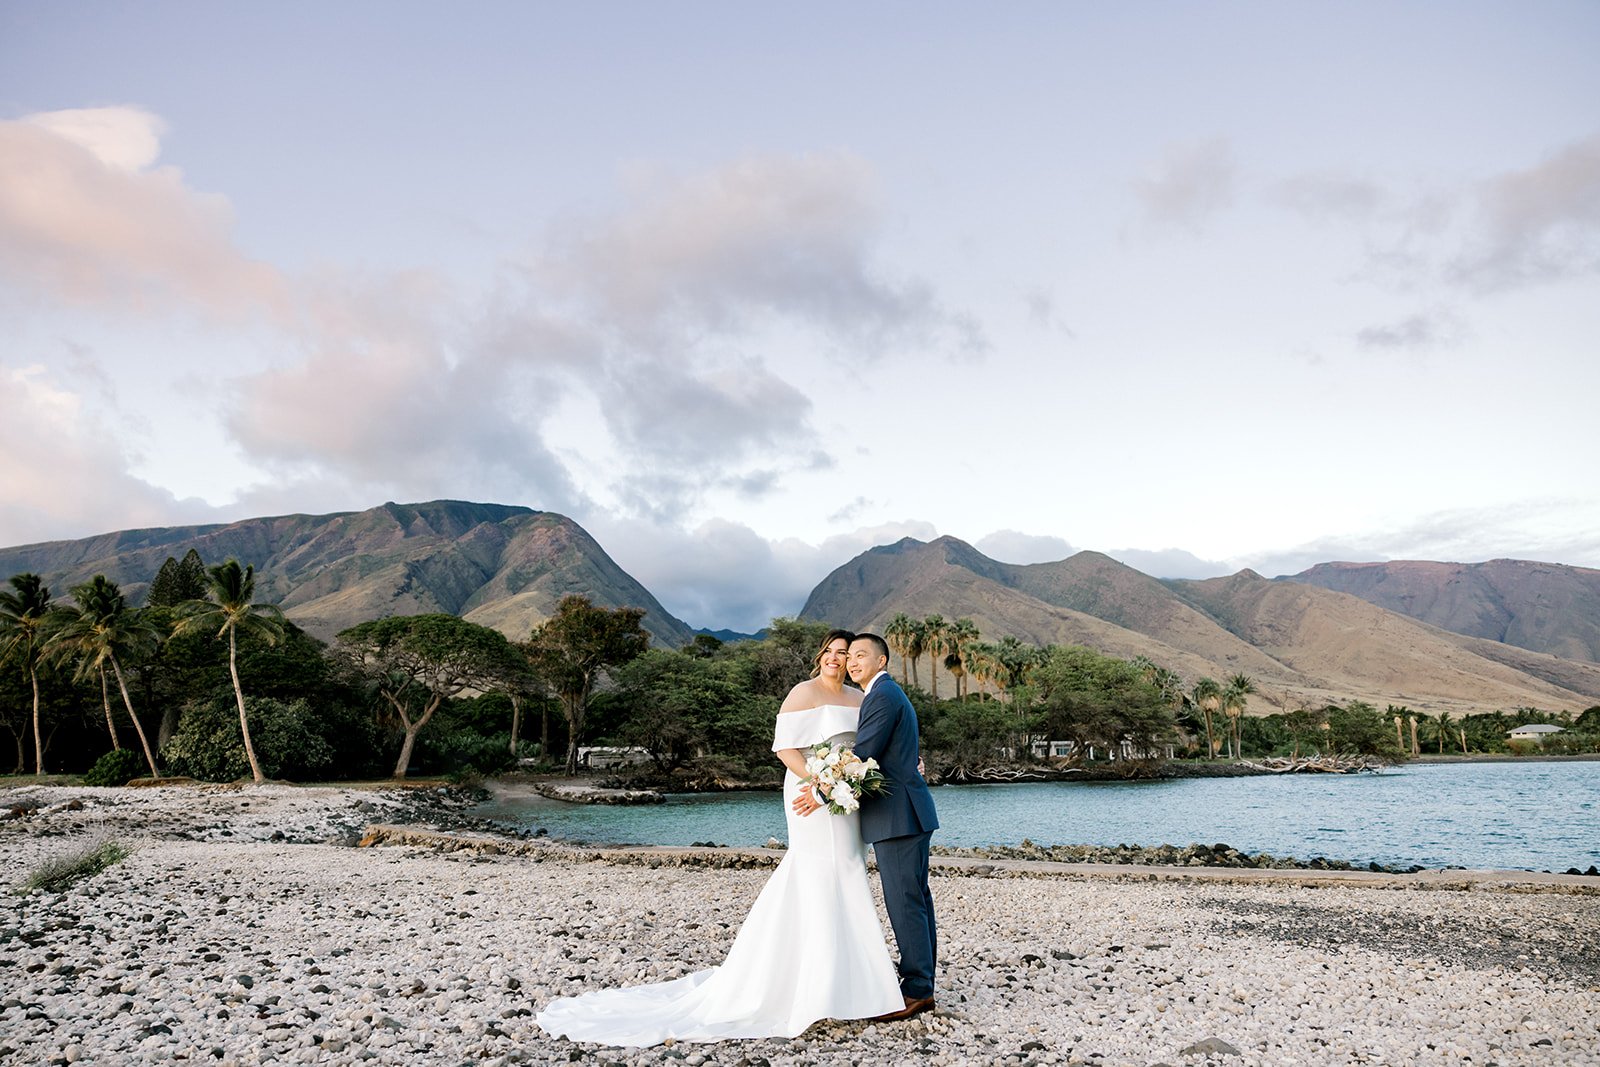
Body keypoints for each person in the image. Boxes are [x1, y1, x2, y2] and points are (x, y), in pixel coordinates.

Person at [535, 629, 904, 1046]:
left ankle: (854, 986)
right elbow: (785, 750)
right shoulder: (803, 692)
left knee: (850, 871)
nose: (839, 659)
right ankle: (811, 989)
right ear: (820, 656)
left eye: (847, 653)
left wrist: (873, 775)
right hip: (809, 792)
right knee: (816, 870)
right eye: (832, 652)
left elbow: (871, 747)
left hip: (844, 798)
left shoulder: (860, 699)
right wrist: (821, 783)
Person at [821, 631, 939, 1019]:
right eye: (849, 656)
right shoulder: (884, 694)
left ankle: (917, 990)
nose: (852, 662)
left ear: (881, 661)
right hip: (905, 812)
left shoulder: (883, 696)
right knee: (916, 900)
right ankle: (921, 984)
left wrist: (823, 789)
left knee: (906, 903)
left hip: (898, 815)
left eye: (860, 655)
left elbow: (864, 752)